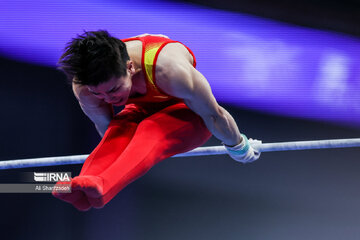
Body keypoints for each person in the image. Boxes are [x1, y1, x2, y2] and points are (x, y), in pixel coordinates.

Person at [52, 30, 260, 211]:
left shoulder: (170, 70)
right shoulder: (84, 87)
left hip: (188, 115)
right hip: (140, 111)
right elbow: (107, 129)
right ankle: (84, 186)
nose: (108, 99)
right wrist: (115, 164)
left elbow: (214, 115)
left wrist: (239, 147)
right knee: (119, 127)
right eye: (99, 94)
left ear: (130, 68)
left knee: (150, 128)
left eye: (114, 89)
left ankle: (102, 187)